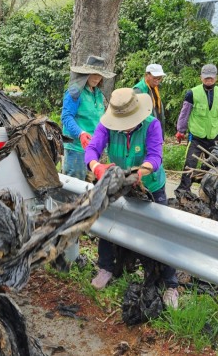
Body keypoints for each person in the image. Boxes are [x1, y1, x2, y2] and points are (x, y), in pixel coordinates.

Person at [84, 87, 179, 308]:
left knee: (160, 230)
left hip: (150, 185)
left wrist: (139, 172)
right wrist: (97, 167)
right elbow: (92, 150)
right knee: (107, 222)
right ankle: (106, 268)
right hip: (119, 185)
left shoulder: (151, 125)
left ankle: (170, 284)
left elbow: (155, 157)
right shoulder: (106, 125)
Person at [174, 64, 218, 195]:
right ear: (201, 78)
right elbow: (184, 113)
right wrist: (181, 130)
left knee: (216, 166)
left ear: (216, 78)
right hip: (197, 136)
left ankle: (211, 192)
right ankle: (183, 191)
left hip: (214, 136)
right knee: (190, 164)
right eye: (206, 77)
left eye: (211, 78)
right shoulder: (192, 93)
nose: (209, 80)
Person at [61, 55, 115, 181]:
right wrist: (80, 133)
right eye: (93, 74)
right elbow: (66, 117)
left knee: (89, 188)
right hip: (76, 149)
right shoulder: (75, 92)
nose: (96, 78)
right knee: (74, 189)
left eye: (99, 75)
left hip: (93, 150)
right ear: (86, 74)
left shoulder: (98, 94)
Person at [133, 63, 166, 131]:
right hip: (144, 130)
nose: (157, 81)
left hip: (155, 127)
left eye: (159, 78)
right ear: (146, 75)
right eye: (154, 78)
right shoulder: (138, 90)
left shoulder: (155, 88)